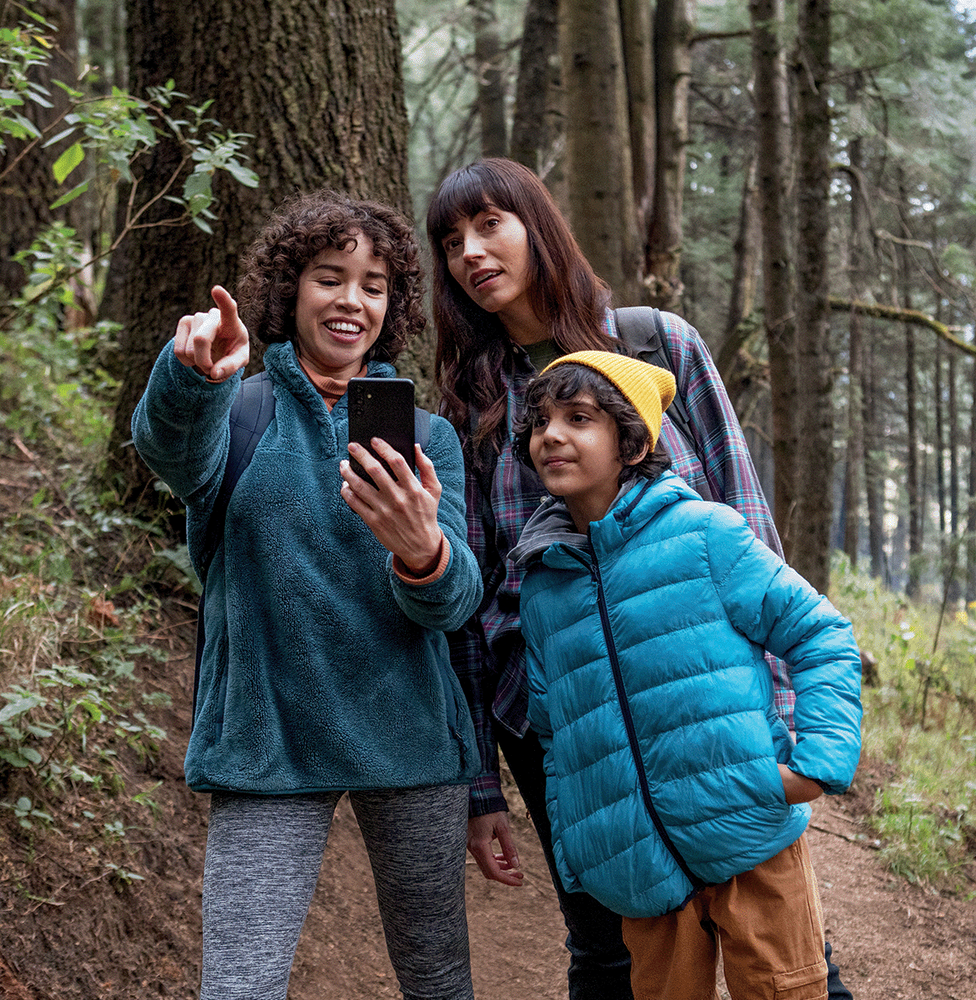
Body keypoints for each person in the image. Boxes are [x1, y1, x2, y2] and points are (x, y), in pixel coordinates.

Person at [426, 156, 853, 999]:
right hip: (565, 722)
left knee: (787, 956)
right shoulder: (470, 408)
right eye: (450, 240)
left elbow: (745, 518)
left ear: (537, 227)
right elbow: (468, 612)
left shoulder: (658, 343)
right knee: (610, 954)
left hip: (706, 698)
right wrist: (482, 785)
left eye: (488, 224)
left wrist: (786, 718)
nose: (470, 252)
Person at [132, 190, 483, 1000]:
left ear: (391, 307)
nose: (351, 300)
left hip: (411, 740)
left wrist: (423, 551)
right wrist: (190, 379)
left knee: (437, 979)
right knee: (239, 986)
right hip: (269, 740)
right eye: (330, 278)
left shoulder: (428, 439)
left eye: (373, 285)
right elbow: (167, 447)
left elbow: (454, 604)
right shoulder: (238, 412)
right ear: (291, 290)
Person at [508, 351, 862, 1000]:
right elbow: (554, 732)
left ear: (632, 442)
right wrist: (579, 846)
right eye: (539, 422)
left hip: (750, 836)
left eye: (578, 418)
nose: (550, 435)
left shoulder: (705, 535)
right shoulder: (541, 585)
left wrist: (817, 764)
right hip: (638, 870)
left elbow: (822, 636)